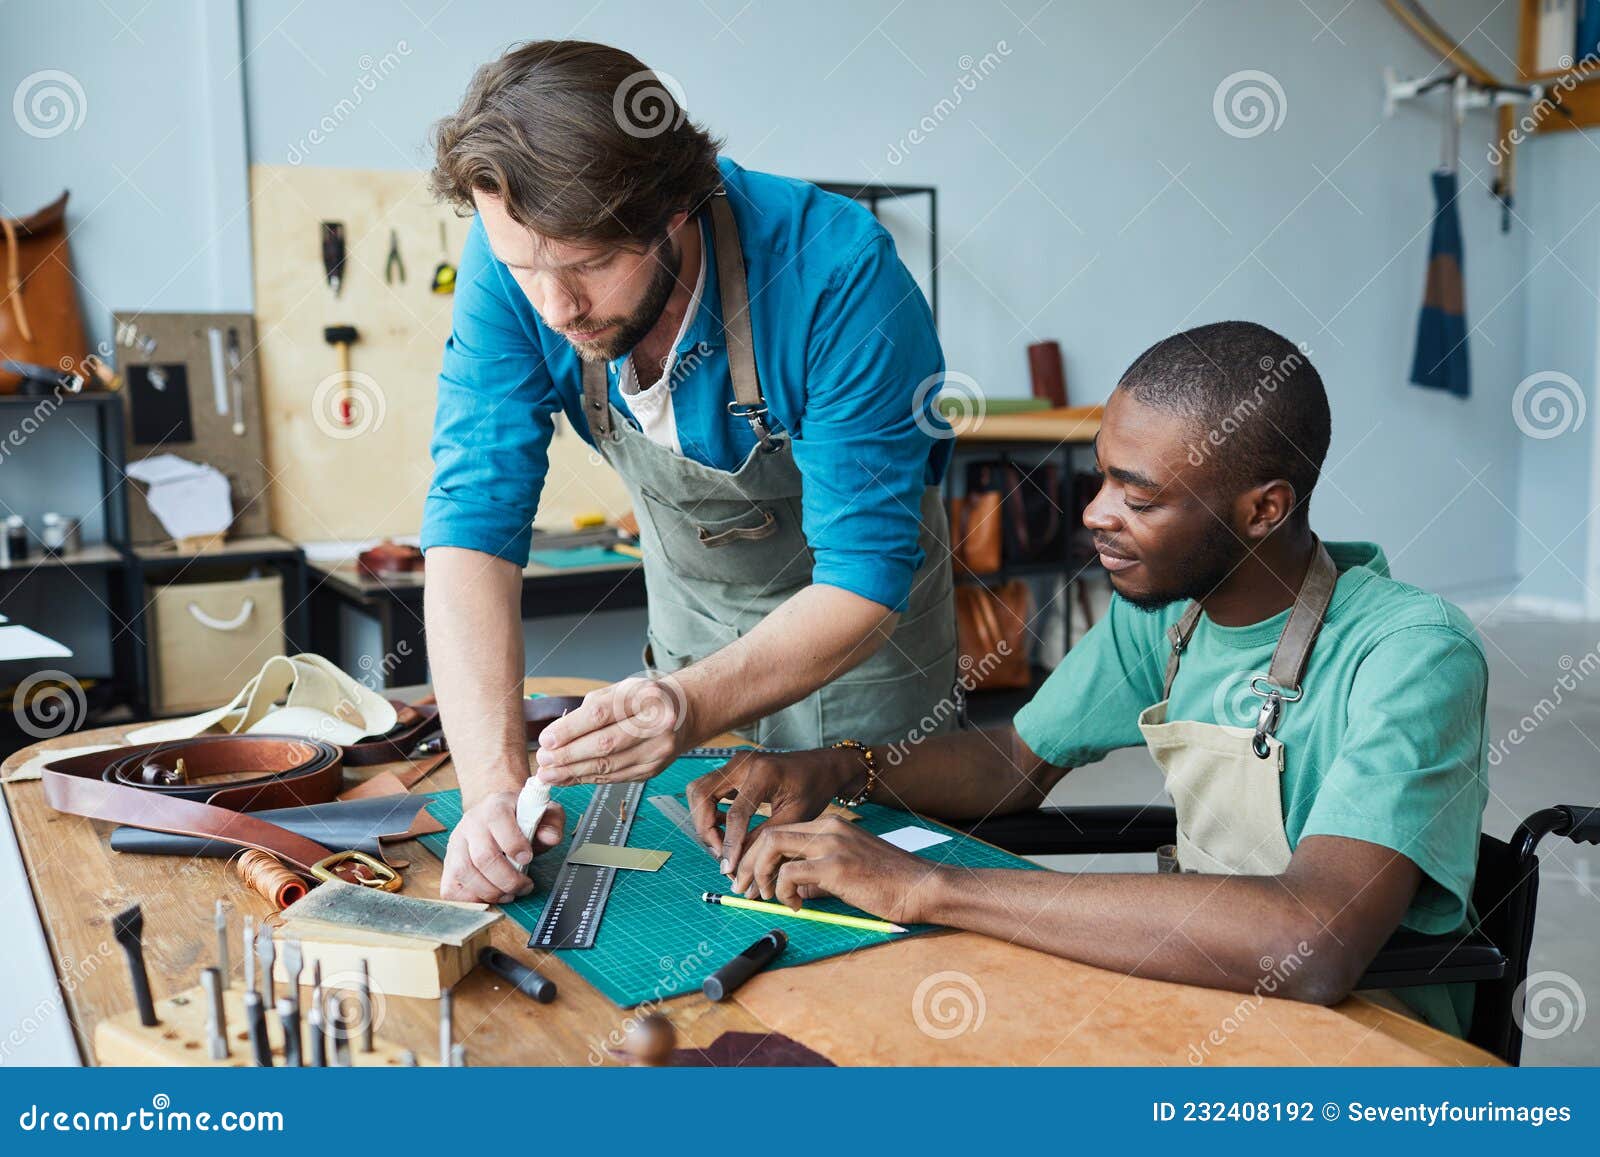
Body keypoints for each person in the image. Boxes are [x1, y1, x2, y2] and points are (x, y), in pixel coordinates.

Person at [688, 322, 1489, 1035]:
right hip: (1210, 989)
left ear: (1264, 509)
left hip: (1372, 1032)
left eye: (1137, 497)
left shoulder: (1413, 655)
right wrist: (838, 765)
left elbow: (1309, 940)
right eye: (1101, 477)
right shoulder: (1169, 615)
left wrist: (925, 886)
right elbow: (1015, 762)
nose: (1095, 514)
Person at [421, 41, 957, 904]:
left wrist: (689, 703)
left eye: (589, 265)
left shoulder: (840, 276)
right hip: (686, 652)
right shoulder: (512, 261)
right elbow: (470, 524)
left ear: (674, 206)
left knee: (868, 953)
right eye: (527, 270)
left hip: (860, 668)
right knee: (687, 910)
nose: (556, 309)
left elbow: (864, 574)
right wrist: (490, 786)